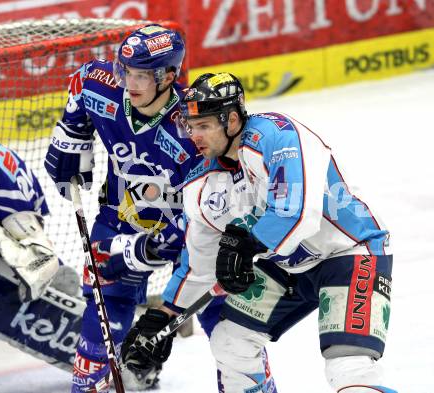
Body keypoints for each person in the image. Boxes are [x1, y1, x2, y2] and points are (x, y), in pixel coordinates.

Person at [122, 72, 397, 393]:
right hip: (285, 268)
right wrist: (165, 316)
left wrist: (248, 242)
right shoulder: (201, 186)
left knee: (348, 366)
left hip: (349, 253)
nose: (195, 136)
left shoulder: (277, 136)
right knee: (230, 342)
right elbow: (199, 266)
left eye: (205, 126)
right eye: (191, 126)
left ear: (233, 120)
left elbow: (297, 212)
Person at [44, 23, 200, 392]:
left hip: (185, 232)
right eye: (126, 70)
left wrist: (144, 251)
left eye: (143, 75)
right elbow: (83, 81)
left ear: (169, 76)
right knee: (105, 306)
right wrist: (72, 133)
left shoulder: (194, 127)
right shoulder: (105, 86)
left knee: (219, 318)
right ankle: (93, 382)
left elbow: (206, 215)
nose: (130, 82)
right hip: (119, 218)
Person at [0, 139, 83, 373]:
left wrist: (45, 270)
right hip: (17, 228)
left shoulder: (2, 182)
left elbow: (36, 255)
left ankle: (107, 349)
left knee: (32, 270)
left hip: (18, 243)